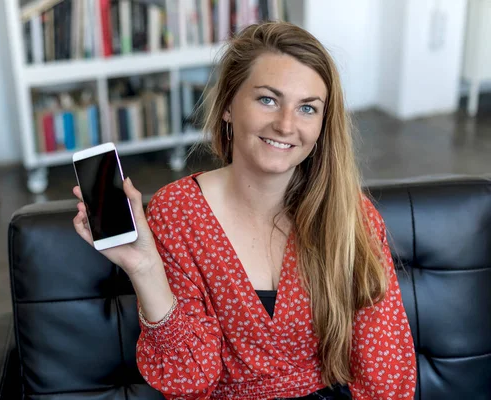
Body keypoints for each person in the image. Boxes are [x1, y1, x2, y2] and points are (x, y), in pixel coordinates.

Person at [72, 21, 416, 400]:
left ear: (322, 124)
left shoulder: (349, 213)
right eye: (267, 99)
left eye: (307, 108)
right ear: (228, 108)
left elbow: (386, 369)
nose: (286, 125)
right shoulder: (177, 213)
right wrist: (145, 269)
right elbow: (190, 380)